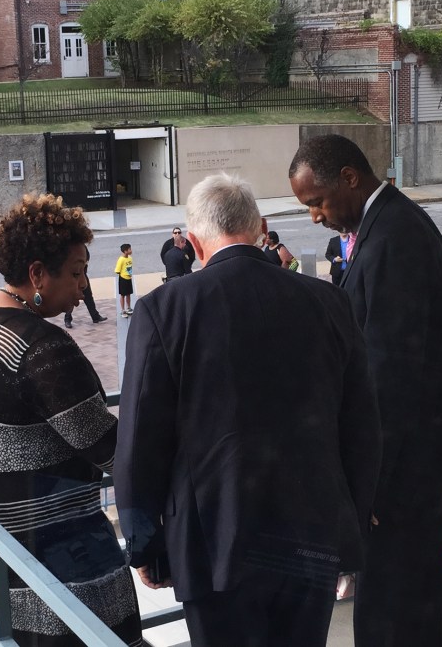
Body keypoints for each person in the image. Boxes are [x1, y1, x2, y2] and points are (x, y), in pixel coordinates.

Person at [116, 172, 381, 647]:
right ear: (261, 228)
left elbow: (140, 442)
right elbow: (361, 428)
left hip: (212, 543)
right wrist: (349, 533)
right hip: (312, 535)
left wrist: (144, 545)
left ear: (194, 243)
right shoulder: (328, 302)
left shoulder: (164, 310)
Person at [289, 134, 442, 647]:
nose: (315, 217)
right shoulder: (389, 225)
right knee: (399, 599)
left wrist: (368, 479)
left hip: (402, 470)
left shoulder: (394, 236)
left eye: (317, 202)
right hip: (412, 461)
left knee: (395, 606)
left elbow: (393, 372)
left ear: (350, 177)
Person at [0, 193, 142, 646]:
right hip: (42, 550)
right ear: (37, 274)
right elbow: (114, 453)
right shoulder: (41, 348)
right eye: (76, 272)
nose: (84, 286)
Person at [63, 246, 107, 329]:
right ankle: (67, 319)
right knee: (71, 297)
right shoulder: (68, 248)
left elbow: (87, 256)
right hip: (73, 277)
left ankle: (95, 316)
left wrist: (85, 263)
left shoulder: (82, 246)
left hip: (82, 275)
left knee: (88, 297)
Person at [114, 243, 134, 317]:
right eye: (129, 249)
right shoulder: (121, 260)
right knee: (123, 295)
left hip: (129, 278)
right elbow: (117, 270)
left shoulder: (130, 258)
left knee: (129, 294)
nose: (131, 250)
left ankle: (129, 308)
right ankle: (123, 310)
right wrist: (124, 274)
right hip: (123, 279)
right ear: (125, 251)